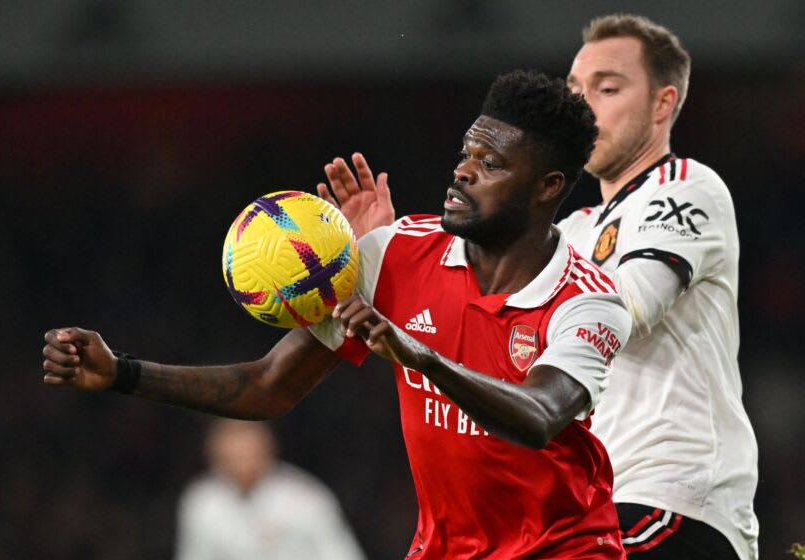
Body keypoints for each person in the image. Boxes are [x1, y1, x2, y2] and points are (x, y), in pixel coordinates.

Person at [43, 70, 633, 559]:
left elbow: (538, 416)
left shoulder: (589, 300)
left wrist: (418, 355)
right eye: (466, 153)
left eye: (492, 164)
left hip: (567, 549)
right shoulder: (394, 253)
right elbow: (268, 386)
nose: (463, 171)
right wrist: (122, 372)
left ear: (547, 186)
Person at [319, 14, 759, 560]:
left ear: (663, 105)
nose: (587, 102)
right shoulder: (570, 232)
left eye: (608, 87)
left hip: (670, 498)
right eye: (577, 88)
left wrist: (418, 284)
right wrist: (393, 258)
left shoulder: (685, 187)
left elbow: (620, 307)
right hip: (589, 498)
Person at [175, 419, 366, 560]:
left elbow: (342, 554)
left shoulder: (304, 497)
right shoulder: (202, 502)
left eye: (247, 450)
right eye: (232, 454)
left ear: (267, 449)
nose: (240, 460)